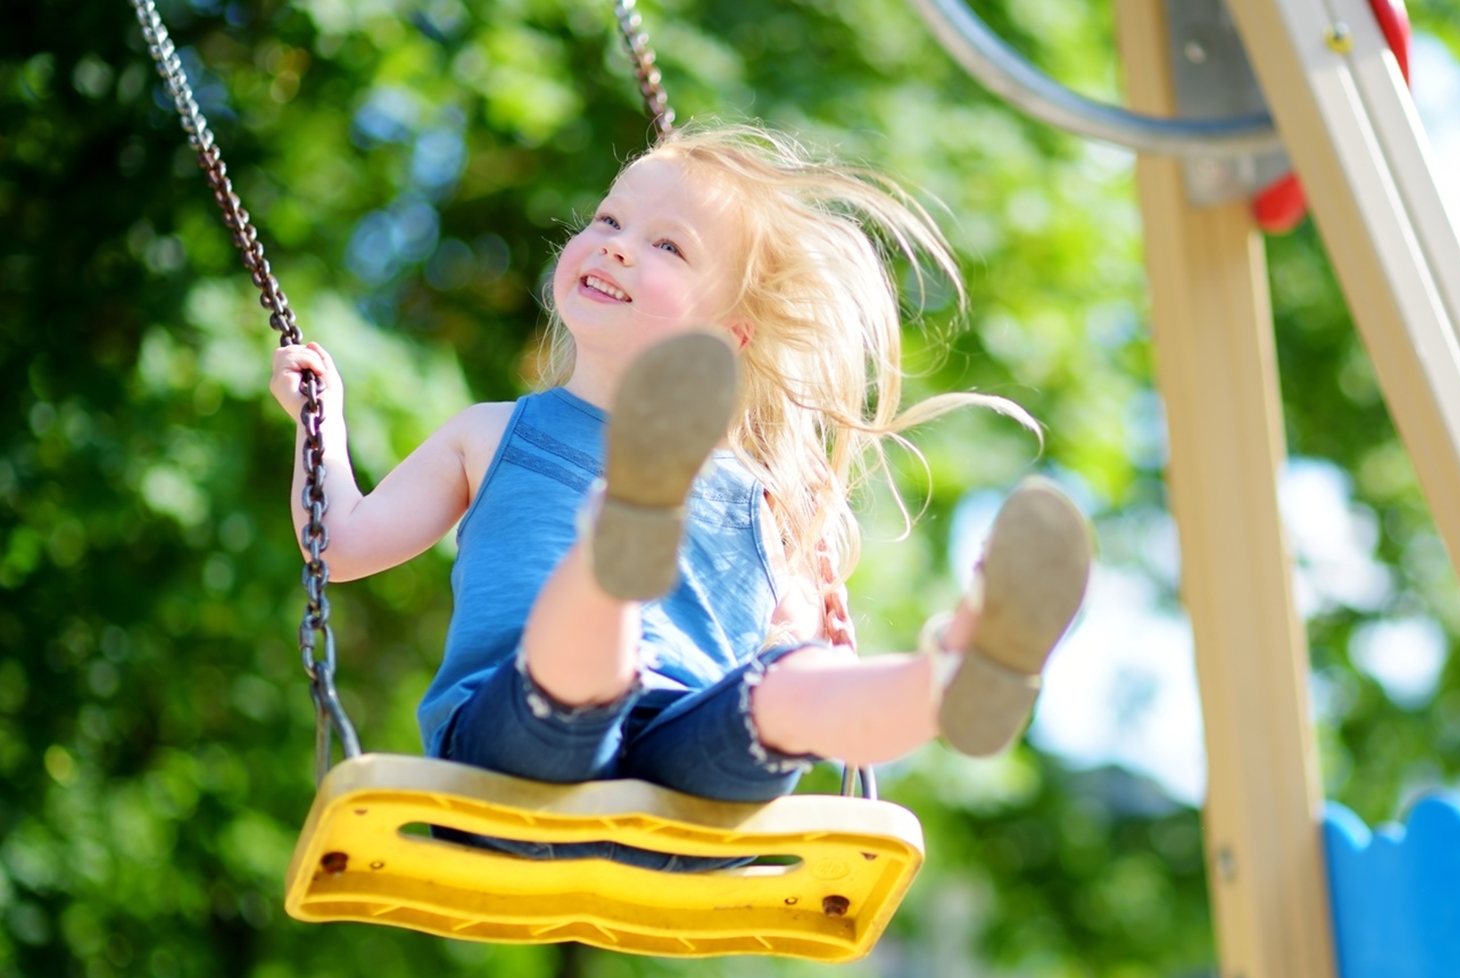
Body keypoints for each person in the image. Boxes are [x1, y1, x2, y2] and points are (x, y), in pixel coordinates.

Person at [267, 123, 1092, 869]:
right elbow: (342, 544)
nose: (618, 247)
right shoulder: (491, 434)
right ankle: (616, 550)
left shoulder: (760, 498)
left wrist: (824, 651)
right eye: (608, 221)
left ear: (729, 335)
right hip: (510, 770)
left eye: (668, 246)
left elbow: (790, 649)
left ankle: (950, 678)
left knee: (786, 687)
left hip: (684, 791)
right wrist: (320, 425)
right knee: (579, 675)